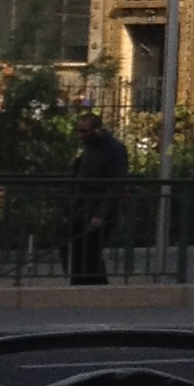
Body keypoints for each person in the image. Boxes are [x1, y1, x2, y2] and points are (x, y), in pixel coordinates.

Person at [69, 108, 129, 283]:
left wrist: (101, 214)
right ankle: (81, 282)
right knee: (80, 248)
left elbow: (115, 183)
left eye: (84, 131)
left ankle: (96, 284)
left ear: (96, 129)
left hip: (100, 205)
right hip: (84, 204)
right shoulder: (90, 147)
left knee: (92, 248)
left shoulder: (114, 149)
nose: (81, 136)